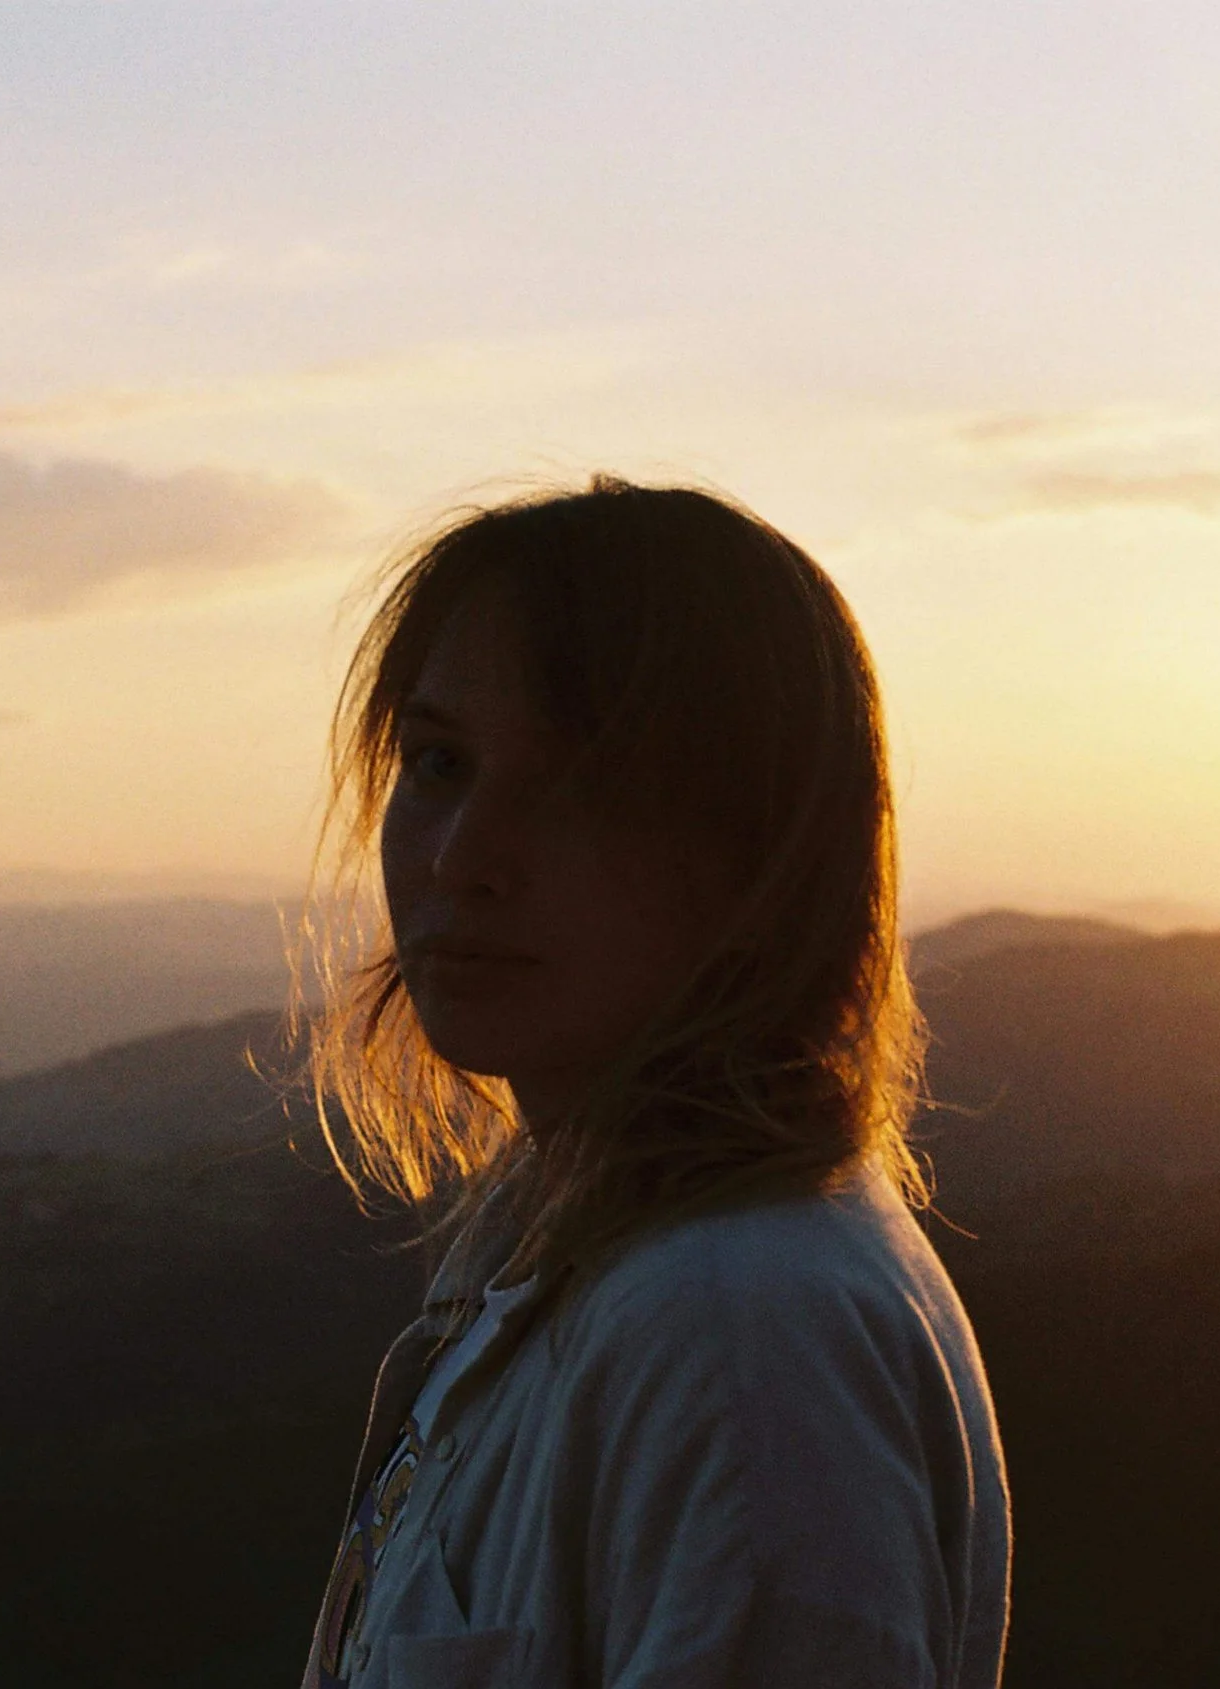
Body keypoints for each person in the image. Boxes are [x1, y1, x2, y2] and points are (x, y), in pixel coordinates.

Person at [293, 477, 1010, 1689]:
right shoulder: (567, 1246)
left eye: (581, 785)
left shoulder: (740, 1337)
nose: (463, 859)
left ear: (762, 849)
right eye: (438, 762)